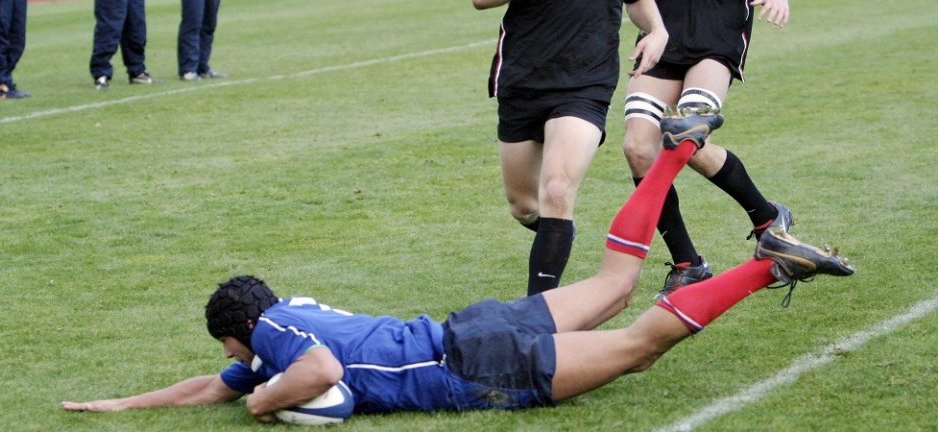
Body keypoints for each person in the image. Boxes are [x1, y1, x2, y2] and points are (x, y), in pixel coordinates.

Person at [61, 109, 854, 420]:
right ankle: (675, 154)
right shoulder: (285, 313)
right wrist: (122, 405)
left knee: (641, 344)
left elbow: (313, 372)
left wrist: (263, 406)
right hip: (476, 323)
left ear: (239, 331)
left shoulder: (276, 340)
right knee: (616, 286)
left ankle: (768, 268)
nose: (231, 365)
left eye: (229, 350)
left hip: (479, 361)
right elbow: (211, 385)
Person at [506, 0, 808, 297]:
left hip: (718, 36)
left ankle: (765, 218)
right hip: (662, 34)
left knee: (687, 135)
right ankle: (690, 261)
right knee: (638, 148)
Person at [473, 0, 668, 296]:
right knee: (525, 207)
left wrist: (657, 31)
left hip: (587, 82)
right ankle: (556, 236)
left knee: (558, 190)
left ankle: (537, 316)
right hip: (523, 80)